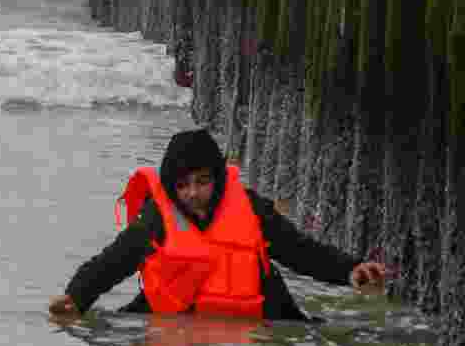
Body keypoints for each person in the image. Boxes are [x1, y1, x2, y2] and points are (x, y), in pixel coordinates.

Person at [49, 128, 387, 322]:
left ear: (218, 178)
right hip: (179, 322)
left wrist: (350, 270)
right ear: (171, 187)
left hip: (258, 322)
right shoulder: (157, 218)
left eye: (202, 181)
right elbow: (112, 263)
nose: (193, 193)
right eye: (182, 185)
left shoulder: (249, 208)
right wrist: (76, 297)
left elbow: (300, 251)